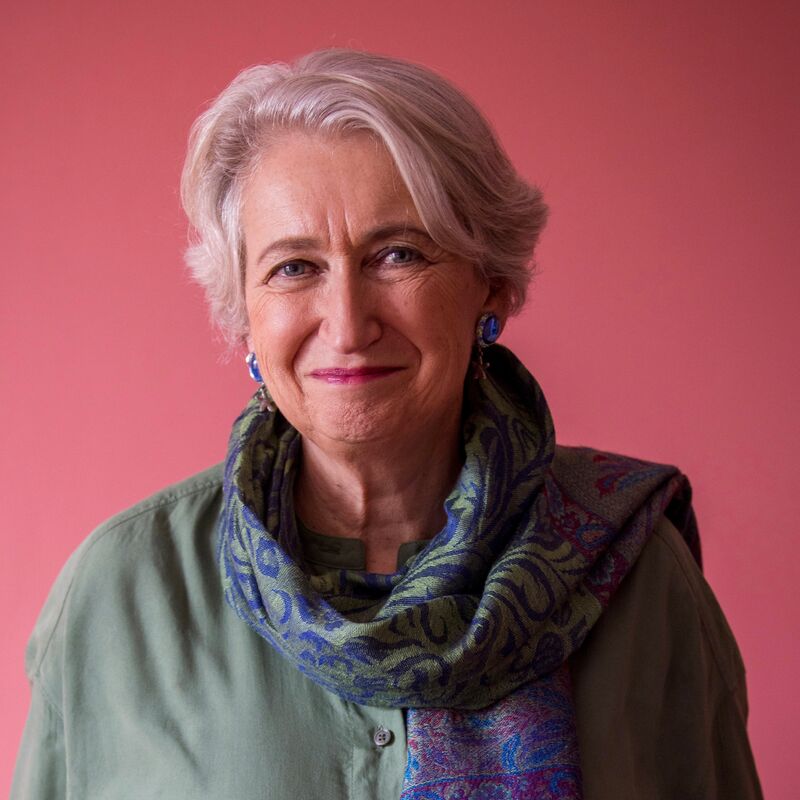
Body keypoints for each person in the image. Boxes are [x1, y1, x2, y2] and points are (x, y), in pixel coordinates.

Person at [12, 49, 762, 799]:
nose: (346, 323)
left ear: (490, 284)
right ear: (243, 315)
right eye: (294, 267)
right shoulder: (117, 598)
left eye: (397, 254)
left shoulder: (634, 575)